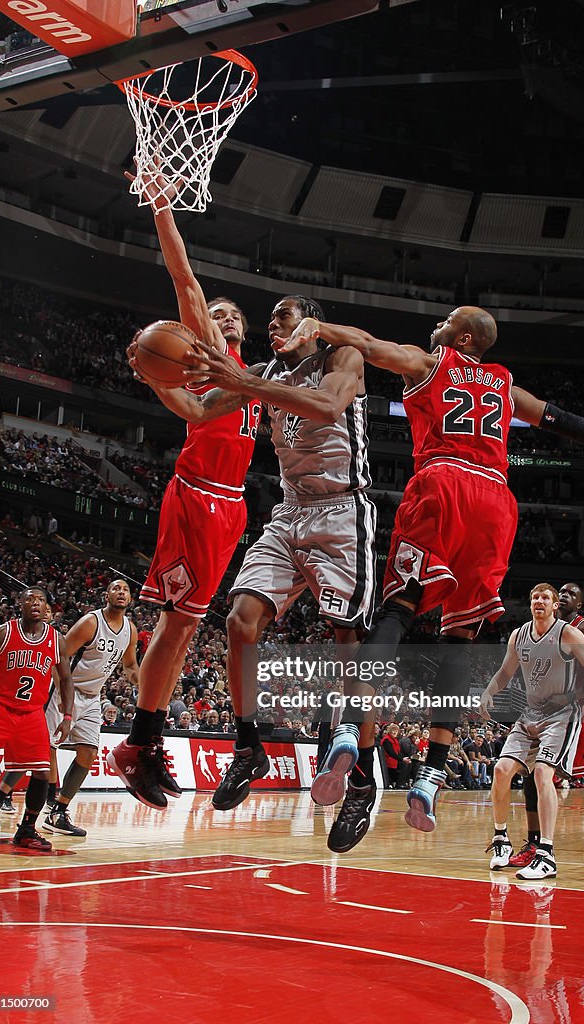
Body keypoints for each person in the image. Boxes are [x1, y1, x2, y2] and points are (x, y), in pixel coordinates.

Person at [275, 305, 584, 851]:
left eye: (447, 321)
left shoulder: (430, 362)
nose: (436, 325)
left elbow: (369, 340)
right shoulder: (505, 386)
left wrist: (318, 329)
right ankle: (431, 775)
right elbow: (575, 426)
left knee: (397, 612)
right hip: (497, 503)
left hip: (445, 483)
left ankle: (346, 728)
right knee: (459, 640)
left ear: (466, 336)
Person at [106, 169, 261, 809]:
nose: (217, 317)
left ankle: (145, 741)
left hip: (233, 507)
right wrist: (165, 210)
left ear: (243, 336)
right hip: (196, 496)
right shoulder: (201, 357)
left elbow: (194, 411)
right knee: (176, 629)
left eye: (230, 317)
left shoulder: (254, 379)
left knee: (185, 630)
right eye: (212, 316)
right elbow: (186, 281)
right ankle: (139, 743)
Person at [195, 294, 376, 839]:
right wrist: (153, 374)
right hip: (290, 510)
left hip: (342, 511)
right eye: (269, 317)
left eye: (283, 316)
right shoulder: (266, 370)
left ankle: (364, 784)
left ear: (311, 325)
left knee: (353, 651)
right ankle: (249, 747)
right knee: (239, 621)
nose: (272, 324)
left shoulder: (342, 358)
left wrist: (247, 383)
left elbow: (323, 408)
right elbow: (200, 410)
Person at [480, 583, 584, 880]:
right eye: (535, 597)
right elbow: (506, 671)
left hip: (561, 716)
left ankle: (546, 854)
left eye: (545, 598)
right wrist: (489, 690)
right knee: (501, 770)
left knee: (542, 773)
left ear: (554, 606)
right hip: (530, 714)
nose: (539, 601)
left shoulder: (569, 634)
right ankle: (500, 840)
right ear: (530, 602)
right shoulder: (518, 635)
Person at [0, 580, 138, 837]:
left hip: (94, 696)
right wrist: (61, 693)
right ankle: (0, 797)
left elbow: (129, 666)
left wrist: (142, 682)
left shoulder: (130, 630)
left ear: (130, 598)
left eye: (126, 590)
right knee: (41, 749)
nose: (121, 593)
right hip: (65, 693)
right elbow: (58, 655)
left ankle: (58, 812)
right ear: (106, 595)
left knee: (88, 753)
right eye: (116, 588)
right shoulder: (91, 623)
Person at [509, 582, 584, 878]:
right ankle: (535, 845)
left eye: (571, 593)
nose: (564, 595)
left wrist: (567, 697)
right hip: (553, 708)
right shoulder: (548, 630)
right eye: (560, 591)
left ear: (579, 604)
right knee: (532, 771)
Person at [0, 587, 73, 851]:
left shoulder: (55, 639)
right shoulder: (3, 632)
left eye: (41, 599)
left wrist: (67, 716)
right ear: (20, 604)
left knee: (42, 771)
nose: (35, 603)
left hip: (31, 713)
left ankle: (27, 830)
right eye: (30, 598)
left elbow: (66, 679)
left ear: (47, 607)